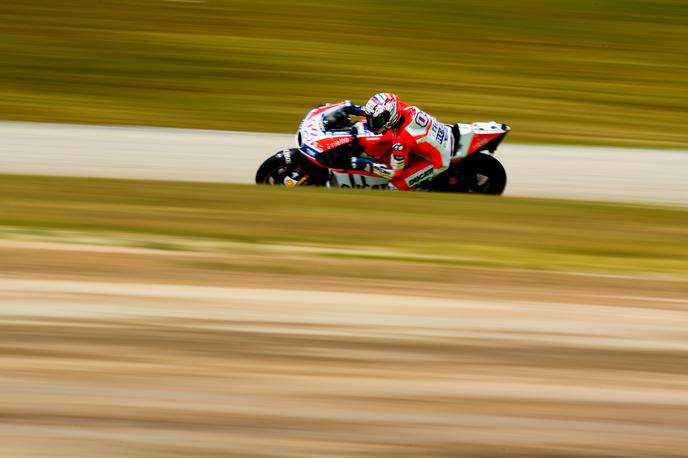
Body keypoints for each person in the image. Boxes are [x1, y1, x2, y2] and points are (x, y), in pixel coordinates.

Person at [351, 93, 455, 190]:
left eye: (377, 122)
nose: (373, 125)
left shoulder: (401, 141)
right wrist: (357, 110)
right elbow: (377, 113)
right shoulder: (402, 108)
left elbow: (394, 174)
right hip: (446, 133)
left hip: (439, 161)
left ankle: (420, 190)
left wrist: (365, 165)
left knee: (394, 186)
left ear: (390, 116)